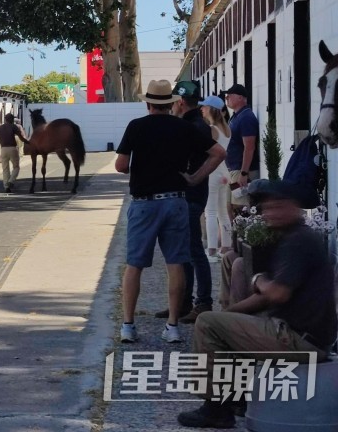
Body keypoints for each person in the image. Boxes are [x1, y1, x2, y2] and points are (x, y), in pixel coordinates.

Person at [176, 179, 337, 429]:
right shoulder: (293, 238)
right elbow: (269, 296)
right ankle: (237, 399)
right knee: (222, 325)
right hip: (298, 334)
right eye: (266, 208)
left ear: (294, 209)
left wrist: (258, 279)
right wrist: (230, 316)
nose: (269, 213)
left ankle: (215, 408)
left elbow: (276, 294)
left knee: (207, 322)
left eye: (277, 207)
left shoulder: (299, 242)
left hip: (298, 339)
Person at [115, 79, 225, 345]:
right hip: (176, 200)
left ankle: (128, 326)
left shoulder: (136, 127)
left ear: (148, 102)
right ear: (170, 103)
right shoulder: (184, 128)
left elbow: (120, 165)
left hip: (144, 203)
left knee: (135, 265)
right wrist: (196, 177)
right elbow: (218, 152)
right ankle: (173, 326)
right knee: (176, 264)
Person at [156, 80, 214, 325]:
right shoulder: (193, 124)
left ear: (180, 102)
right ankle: (185, 302)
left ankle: (202, 303)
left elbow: (216, 155)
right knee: (185, 252)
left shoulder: (194, 127)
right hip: (190, 195)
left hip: (192, 196)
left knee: (193, 251)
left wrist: (194, 178)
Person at [199, 95, 231, 262]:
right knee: (222, 212)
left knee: (209, 212)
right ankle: (226, 247)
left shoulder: (212, 129)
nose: (202, 109)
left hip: (213, 172)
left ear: (211, 109)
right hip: (224, 171)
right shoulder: (226, 129)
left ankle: (211, 250)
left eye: (204, 106)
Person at [221, 84, 259, 211]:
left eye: (229, 96)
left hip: (240, 170)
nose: (227, 98)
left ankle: (243, 231)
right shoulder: (236, 116)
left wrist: (244, 173)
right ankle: (232, 231)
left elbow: (249, 147)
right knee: (229, 206)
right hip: (233, 169)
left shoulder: (246, 117)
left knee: (241, 207)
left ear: (240, 98)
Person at [0, 113, 28, 192]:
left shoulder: (0, 127)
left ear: (5, 119)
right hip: (12, 148)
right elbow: (21, 137)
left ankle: (6, 186)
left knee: (5, 168)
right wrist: (27, 142)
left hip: (3, 149)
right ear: (12, 120)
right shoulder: (14, 126)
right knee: (16, 167)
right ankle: (11, 181)